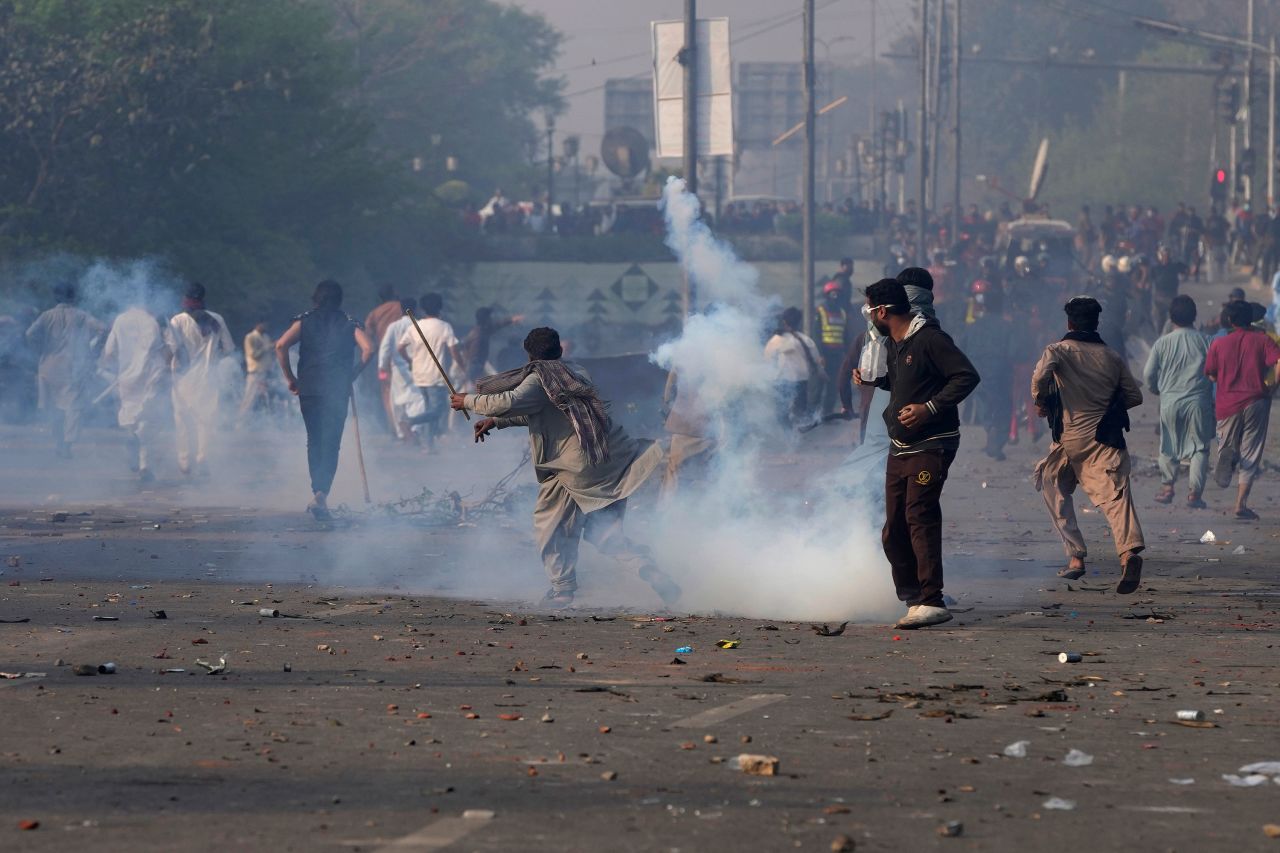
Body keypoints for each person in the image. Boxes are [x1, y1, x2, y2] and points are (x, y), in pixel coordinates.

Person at [450, 327, 681, 609]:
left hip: (574, 467)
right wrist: (496, 422)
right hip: (607, 458)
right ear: (559, 350)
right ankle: (650, 570)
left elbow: (509, 401)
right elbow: (543, 412)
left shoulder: (538, 380)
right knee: (603, 532)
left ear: (530, 355)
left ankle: (562, 591)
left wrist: (468, 401)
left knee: (550, 527)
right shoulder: (574, 373)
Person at [854, 278, 980, 629]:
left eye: (869, 310)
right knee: (893, 527)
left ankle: (932, 599)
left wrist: (930, 408)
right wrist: (872, 381)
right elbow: (902, 379)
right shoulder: (895, 343)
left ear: (882, 311)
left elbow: (967, 376)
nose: (868, 317)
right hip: (901, 446)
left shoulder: (930, 339)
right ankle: (912, 598)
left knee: (919, 515)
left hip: (933, 443)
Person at [1032, 296, 1145, 593]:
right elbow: (1134, 396)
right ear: (1096, 323)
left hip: (1068, 440)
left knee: (1053, 488)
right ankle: (1128, 554)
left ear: (1069, 323)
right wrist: (1109, 407)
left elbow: (1040, 377)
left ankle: (1075, 557)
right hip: (1104, 439)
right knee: (1117, 499)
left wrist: (1043, 401)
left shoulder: (1057, 350)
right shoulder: (1112, 356)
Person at [275, 280, 374, 520]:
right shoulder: (348, 322)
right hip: (336, 389)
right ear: (339, 300)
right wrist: (353, 374)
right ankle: (321, 494)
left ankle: (318, 493)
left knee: (314, 440)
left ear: (315, 299)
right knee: (331, 442)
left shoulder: (304, 321)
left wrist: (290, 378)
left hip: (308, 387)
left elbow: (280, 345)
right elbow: (369, 349)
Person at [1204, 299, 1280, 519]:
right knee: (1252, 450)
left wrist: (1222, 377)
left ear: (1229, 320)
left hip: (1227, 403)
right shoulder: (1263, 339)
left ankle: (1228, 453)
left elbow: (1210, 374)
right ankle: (1240, 504)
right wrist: (1274, 385)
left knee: (1226, 442)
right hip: (1257, 400)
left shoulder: (1219, 343)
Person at [1143, 295, 1214, 509]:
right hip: (1198, 401)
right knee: (1200, 448)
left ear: (1171, 317)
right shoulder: (1206, 341)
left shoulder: (1162, 343)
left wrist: (1157, 390)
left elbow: (1148, 374)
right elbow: (1215, 372)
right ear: (1194, 317)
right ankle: (1194, 494)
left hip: (1170, 400)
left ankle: (1167, 488)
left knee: (1168, 445)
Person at [24, 283, 105, 458]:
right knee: (73, 408)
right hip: (72, 367)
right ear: (74, 297)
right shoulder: (82, 315)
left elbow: (29, 334)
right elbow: (102, 328)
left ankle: (59, 442)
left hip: (48, 366)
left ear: (56, 297)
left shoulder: (46, 315)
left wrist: (40, 349)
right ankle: (67, 444)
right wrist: (93, 350)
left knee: (54, 407)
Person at [166, 282, 234, 476]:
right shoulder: (217, 319)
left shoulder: (176, 321)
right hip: (208, 378)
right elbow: (229, 348)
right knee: (205, 421)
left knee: (182, 421)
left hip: (182, 379)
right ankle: (203, 457)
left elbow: (171, 350)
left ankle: (185, 461)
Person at [101, 298, 170, 482]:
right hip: (151, 377)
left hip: (127, 377)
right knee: (148, 420)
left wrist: (118, 364)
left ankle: (132, 438)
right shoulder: (151, 322)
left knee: (130, 416)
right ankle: (144, 464)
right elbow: (162, 351)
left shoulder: (120, 320)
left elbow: (109, 351)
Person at [397, 293, 464, 452]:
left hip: (419, 375)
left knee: (430, 410)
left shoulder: (415, 326)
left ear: (423, 309)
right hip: (436, 376)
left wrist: (410, 361)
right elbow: (454, 350)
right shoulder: (444, 326)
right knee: (437, 411)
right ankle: (410, 421)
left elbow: (400, 347)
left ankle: (428, 446)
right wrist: (462, 366)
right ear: (440, 308)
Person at [962, 286, 1015, 460]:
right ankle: (996, 439)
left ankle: (990, 428)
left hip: (978, 372)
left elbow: (963, 348)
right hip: (1000, 372)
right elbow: (1013, 351)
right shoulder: (1007, 327)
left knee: (985, 404)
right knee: (1003, 406)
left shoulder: (973, 326)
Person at [764, 307, 821, 427]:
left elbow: (767, 360)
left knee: (782, 413)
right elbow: (816, 360)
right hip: (801, 380)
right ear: (799, 322)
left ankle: (789, 436)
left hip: (782, 381)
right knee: (800, 411)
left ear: (784, 321)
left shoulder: (775, 341)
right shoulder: (806, 340)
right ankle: (797, 434)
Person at [377, 299, 425, 442]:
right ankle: (415, 430)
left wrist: (382, 367)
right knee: (418, 400)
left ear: (400, 310)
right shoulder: (419, 325)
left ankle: (403, 432)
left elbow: (385, 348)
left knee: (397, 401)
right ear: (415, 309)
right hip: (417, 367)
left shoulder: (394, 327)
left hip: (398, 369)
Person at [365, 285, 404, 433]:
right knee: (406, 390)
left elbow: (368, 335)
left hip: (384, 360)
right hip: (405, 356)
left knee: (387, 391)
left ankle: (394, 427)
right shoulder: (402, 307)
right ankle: (406, 428)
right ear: (394, 293)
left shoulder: (375, 313)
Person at [461, 307, 523, 388]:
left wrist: (512, 320)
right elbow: (468, 351)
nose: (492, 319)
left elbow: (498, 325)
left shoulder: (483, 330)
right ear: (486, 319)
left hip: (479, 364)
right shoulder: (478, 334)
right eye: (490, 317)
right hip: (476, 365)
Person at [814, 281, 851, 413]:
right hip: (824, 353)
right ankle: (814, 413)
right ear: (827, 295)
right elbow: (816, 335)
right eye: (832, 294)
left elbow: (845, 336)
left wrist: (847, 354)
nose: (835, 296)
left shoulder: (842, 313)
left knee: (834, 384)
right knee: (819, 384)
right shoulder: (820, 311)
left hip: (837, 354)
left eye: (837, 294)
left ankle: (827, 412)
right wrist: (820, 355)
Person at [237, 322, 274, 424]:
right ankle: (240, 424)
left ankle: (268, 424)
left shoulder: (266, 336)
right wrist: (267, 347)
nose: (266, 326)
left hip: (266, 373)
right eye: (264, 324)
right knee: (249, 400)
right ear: (258, 324)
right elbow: (254, 355)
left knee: (266, 400)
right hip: (255, 373)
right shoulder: (250, 337)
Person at [1148, 245, 1187, 336]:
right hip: (1159, 298)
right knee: (1160, 321)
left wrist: (1196, 263)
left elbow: (1188, 271)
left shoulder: (1175, 265)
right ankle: (1159, 339)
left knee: (1173, 320)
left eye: (1167, 255)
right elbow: (1148, 281)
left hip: (1172, 296)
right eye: (1163, 255)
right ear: (1159, 255)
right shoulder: (1155, 268)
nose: (1166, 257)